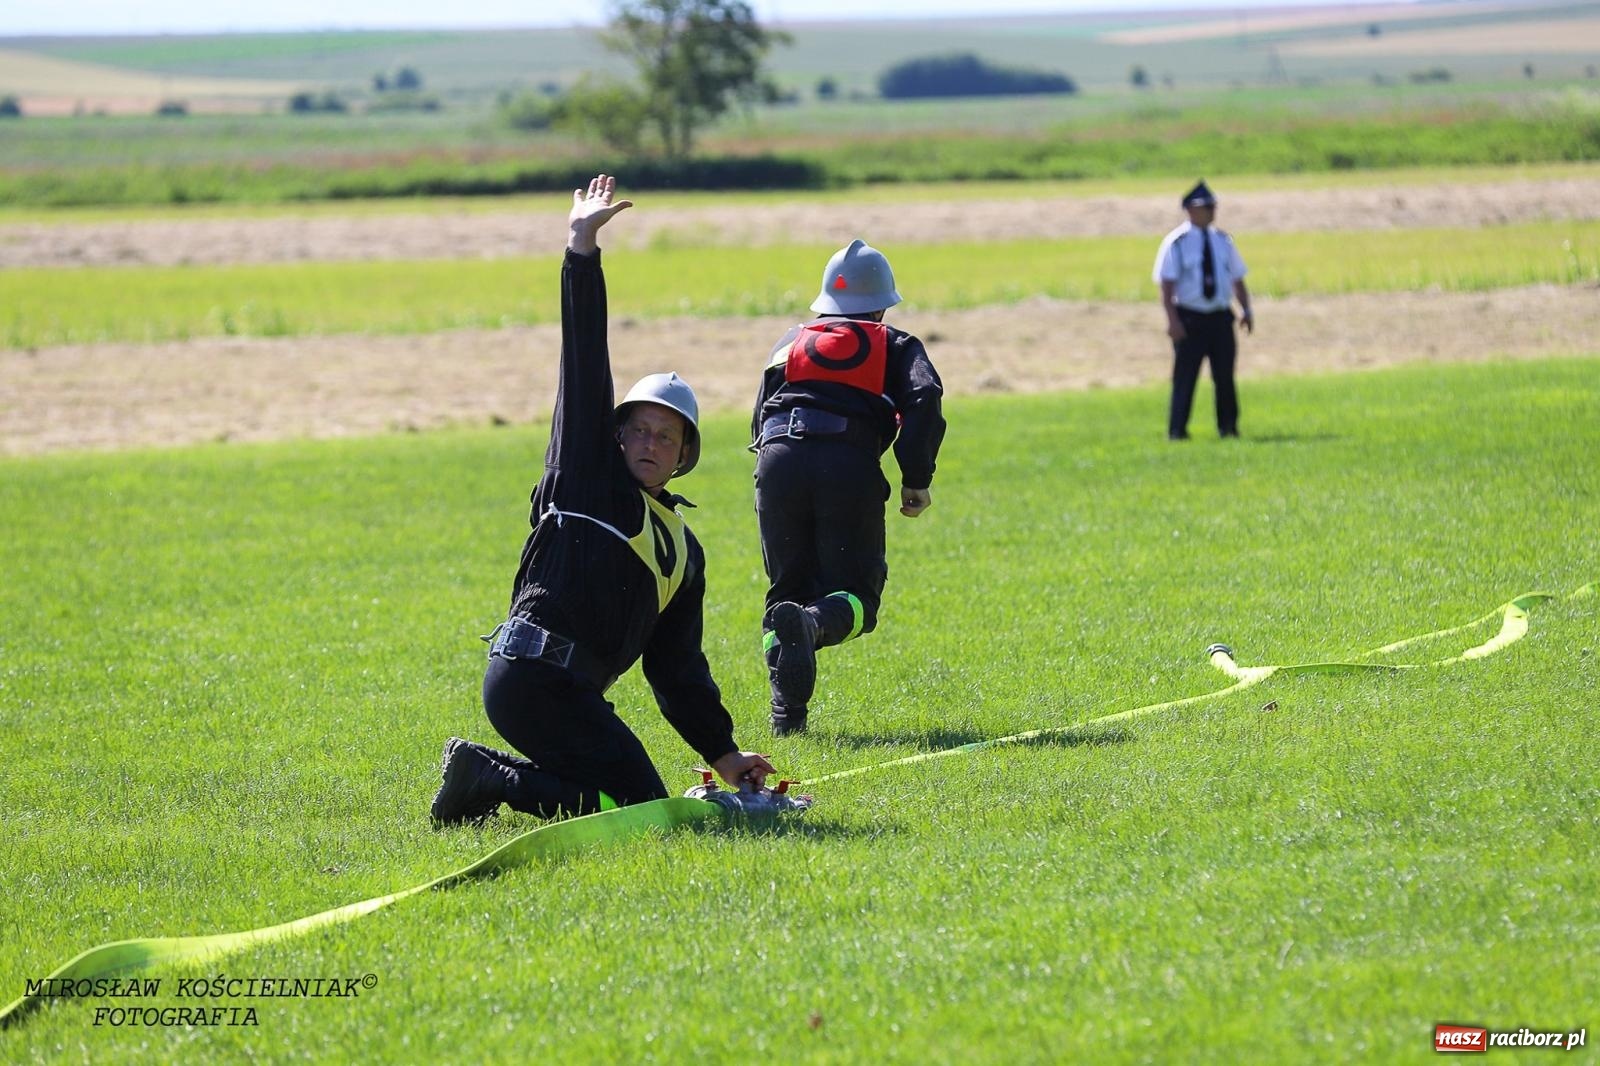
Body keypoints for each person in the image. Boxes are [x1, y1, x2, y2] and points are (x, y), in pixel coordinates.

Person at [430, 174, 774, 824]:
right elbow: (584, 359)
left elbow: (678, 672)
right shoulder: (585, 477)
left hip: (572, 695)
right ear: (616, 438)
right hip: (530, 679)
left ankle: (483, 776)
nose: (649, 443)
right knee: (641, 811)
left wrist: (725, 756)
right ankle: (485, 775)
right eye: (638, 430)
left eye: (665, 437)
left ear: (683, 456)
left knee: (642, 809)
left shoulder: (682, 552)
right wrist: (580, 249)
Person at [751, 238, 947, 737]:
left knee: (785, 594)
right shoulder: (897, 345)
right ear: (882, 305)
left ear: (824, 304)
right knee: (858, 596)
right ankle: (815, 625)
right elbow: (925, 397)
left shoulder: (788, 342)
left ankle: (786, 719)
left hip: (777, 460)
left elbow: (762, 414)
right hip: (846, 462)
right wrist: (916, 478)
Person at [1152, 180, 1254, 441]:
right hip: (1190, 317)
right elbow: (1167, 285)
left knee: (1225, 377)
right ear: (1190, 210)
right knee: (1185, 378)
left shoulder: (1223, 240)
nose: (1211, 211)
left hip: (1220, 317)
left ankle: (1228, 428)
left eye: (1213, 206)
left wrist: (1246, 309)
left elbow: (1237, 278)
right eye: (1205, 207)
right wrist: (1172, 321)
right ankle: (1177, 431)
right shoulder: (1177, 242)